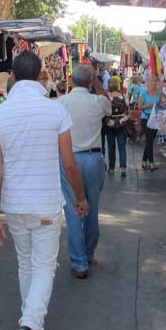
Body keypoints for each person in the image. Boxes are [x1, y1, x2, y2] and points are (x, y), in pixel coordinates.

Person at [0, 51, 89, 330]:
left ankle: (28, 319)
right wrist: (80, 197)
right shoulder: (55, 111)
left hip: (14, 204)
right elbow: (69, 163)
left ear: (13, 76)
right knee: (44, 266)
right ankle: (30, 326)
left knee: (26, 262)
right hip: (44, 202)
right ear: (42, 73)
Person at [59, 64, 112, 279]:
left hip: (69, 159)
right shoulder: (98, 101)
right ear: (91, 82)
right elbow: (107, 101)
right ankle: (88, 253)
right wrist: (97, 81)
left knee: (73, 211)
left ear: (71, 81)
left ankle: (79, 262)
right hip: (93, 158)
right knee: (91, 207)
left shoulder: (61, 103)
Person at [104, 76, 129, 178]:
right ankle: (123, 168)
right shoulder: (123, 96)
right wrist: (122, 119)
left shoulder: (107, 97)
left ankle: (112, 167)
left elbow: (104, 111)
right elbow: (127, 111)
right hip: (121, 124)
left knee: (111, 146)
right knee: (122, 147)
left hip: (110, 124)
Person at [137, 75, 164, 171]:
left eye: (155, 81)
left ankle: (144, 161)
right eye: (151, 81)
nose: (153, 83)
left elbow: (161, 106)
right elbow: (139, 107)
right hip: (146, 118)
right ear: (147, 82)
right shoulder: (144, 93)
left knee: (150, 141)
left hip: (155, 119)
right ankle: (151, 163)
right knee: (149, 140)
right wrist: (150, 105)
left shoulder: (159, 93)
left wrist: (161, 104)